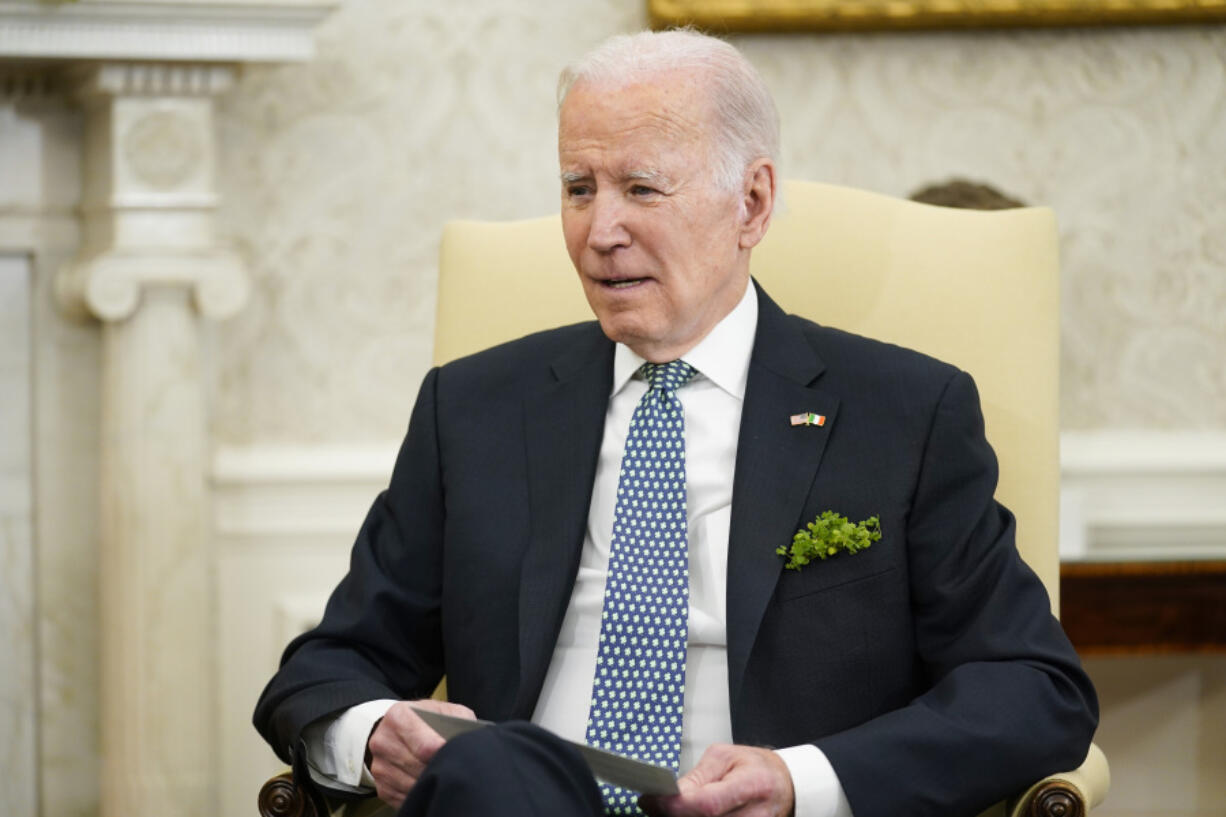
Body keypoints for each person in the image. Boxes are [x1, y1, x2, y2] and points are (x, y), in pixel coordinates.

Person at [254, 29, 1097, 817]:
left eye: (642, 189)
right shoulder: (472, 408)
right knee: (494, 768)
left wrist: (800, 779)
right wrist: (368, 734)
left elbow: (1030, 685)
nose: (600, 232)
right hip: (522, 797)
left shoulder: (903, 413)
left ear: (752, 204)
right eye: (578, 189)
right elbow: (330, 664)